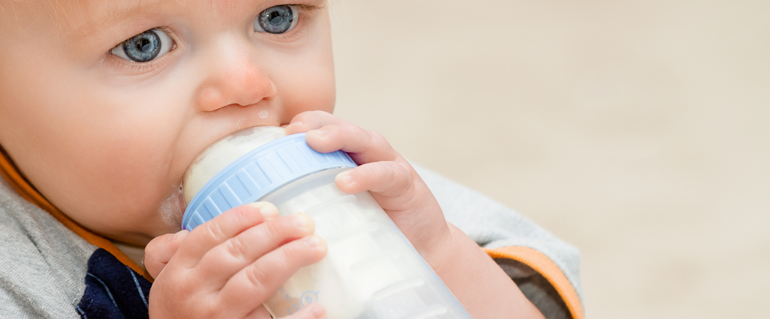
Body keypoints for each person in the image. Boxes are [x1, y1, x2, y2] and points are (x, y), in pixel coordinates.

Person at [0, 1, 583, 318]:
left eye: (276, 17)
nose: (245, 84)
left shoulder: (364, 195)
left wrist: (435, 255)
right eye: (143, 45)